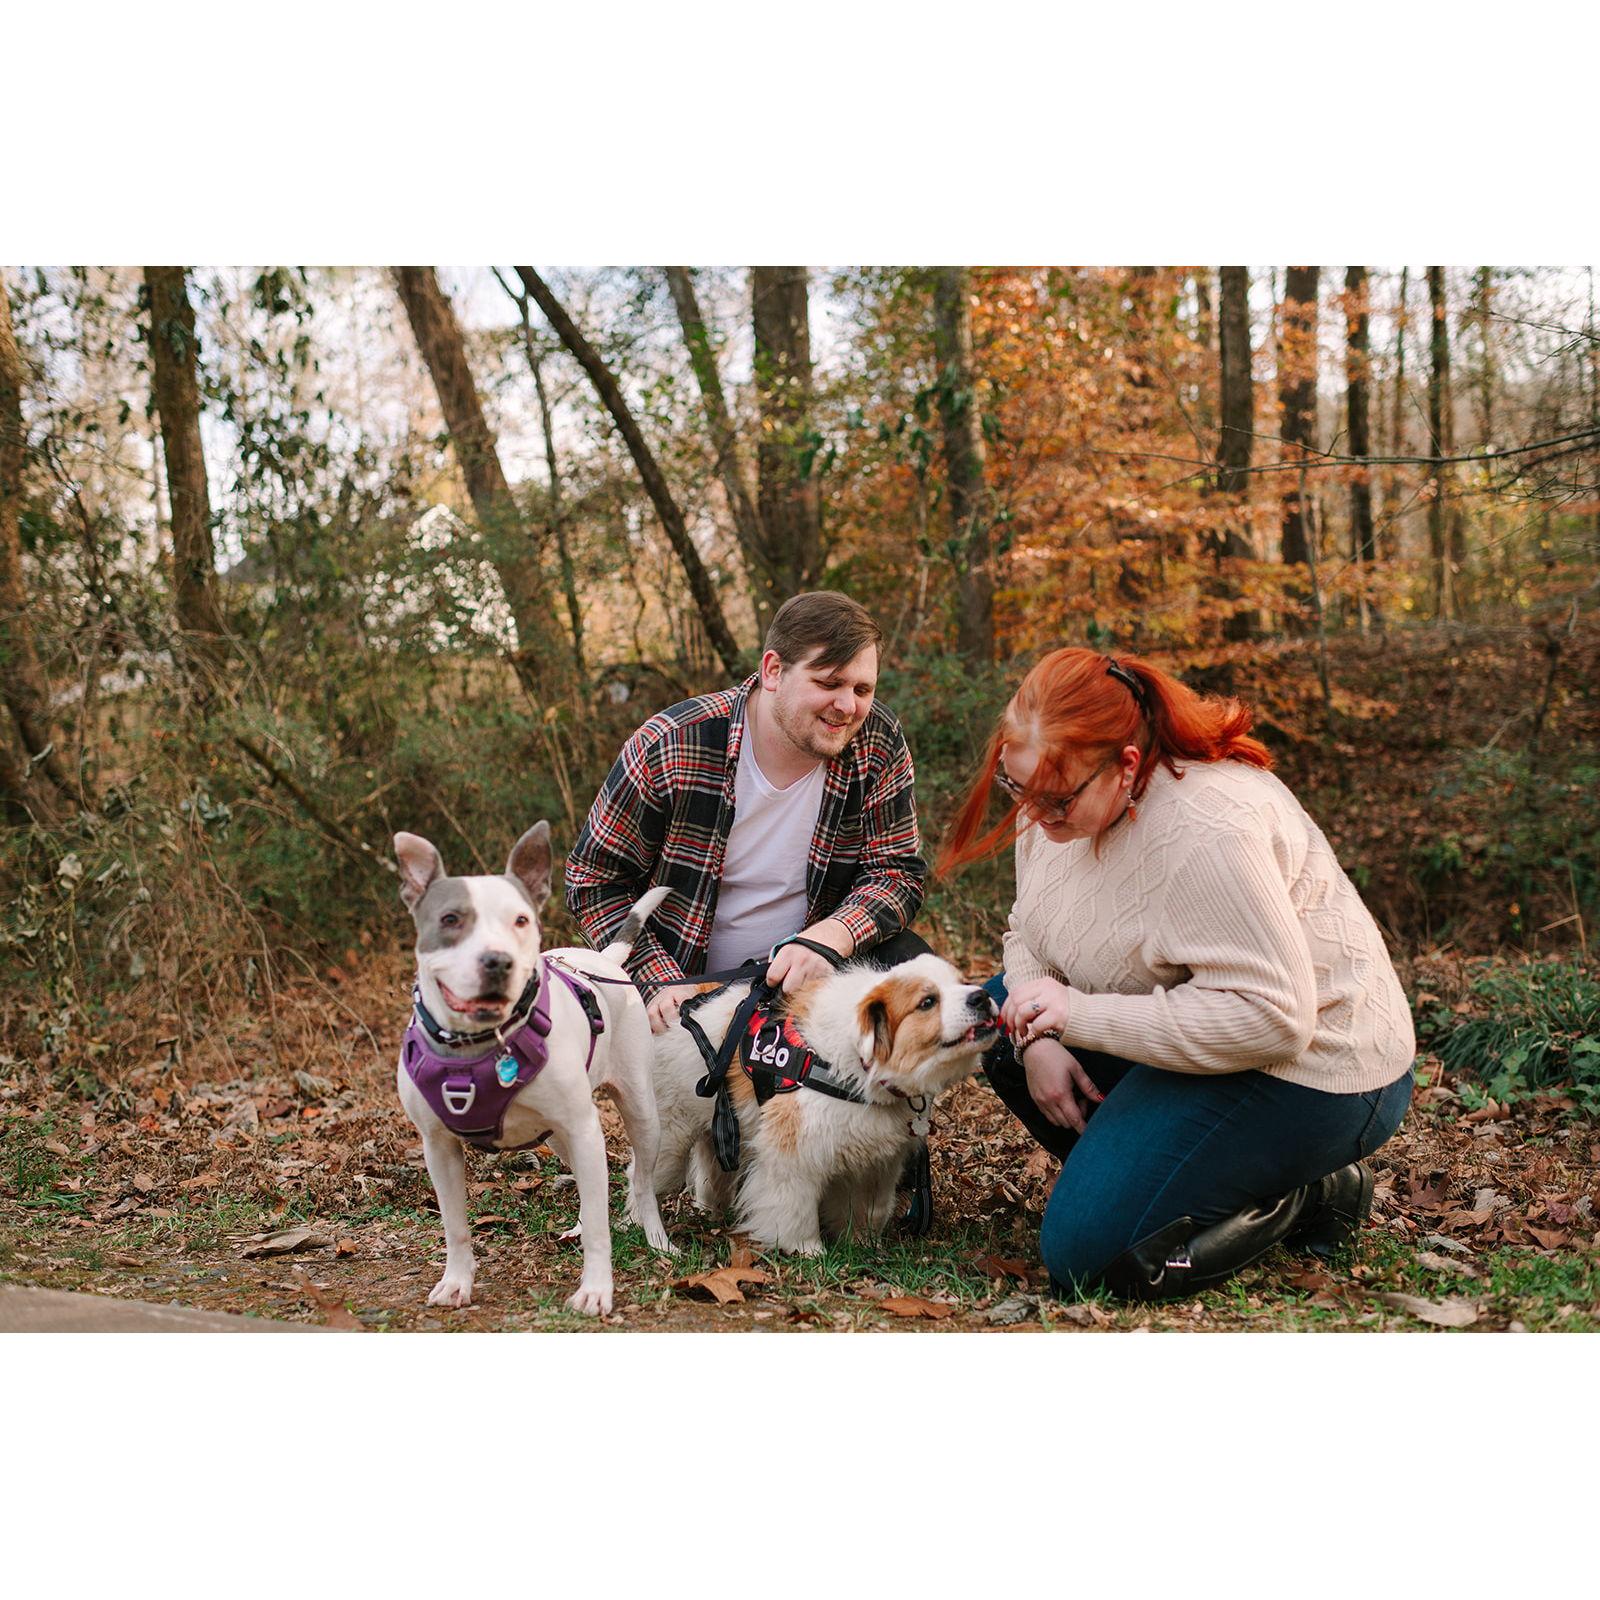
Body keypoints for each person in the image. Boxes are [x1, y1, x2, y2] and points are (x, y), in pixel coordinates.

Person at [938, 647, 1416, 1300]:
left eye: (1055, 800)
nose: (1035, 816)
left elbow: (1273, 1019)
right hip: (1204, 1032)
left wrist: (1075, 1017)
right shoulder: (1050, 795)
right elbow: (1028, 934)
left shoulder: (1208, 828)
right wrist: (1040, 1041)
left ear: (1126, 765)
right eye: (1016, 788)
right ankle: (1156, 1181)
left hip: (1315, 1070)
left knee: (1085, 1256)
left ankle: (1308, 1194)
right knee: (1006, 1015)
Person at [566, 589, 930, 1027]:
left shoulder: (877, 740)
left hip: (806, 978)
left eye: (862, 688)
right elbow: (594, 880)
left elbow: (897, 872)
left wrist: (832, 937)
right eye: (829, 683)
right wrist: (658, 978)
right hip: (684, 987)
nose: (848, 706)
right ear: (773, 670)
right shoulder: (673, 744)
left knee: (911, 964)